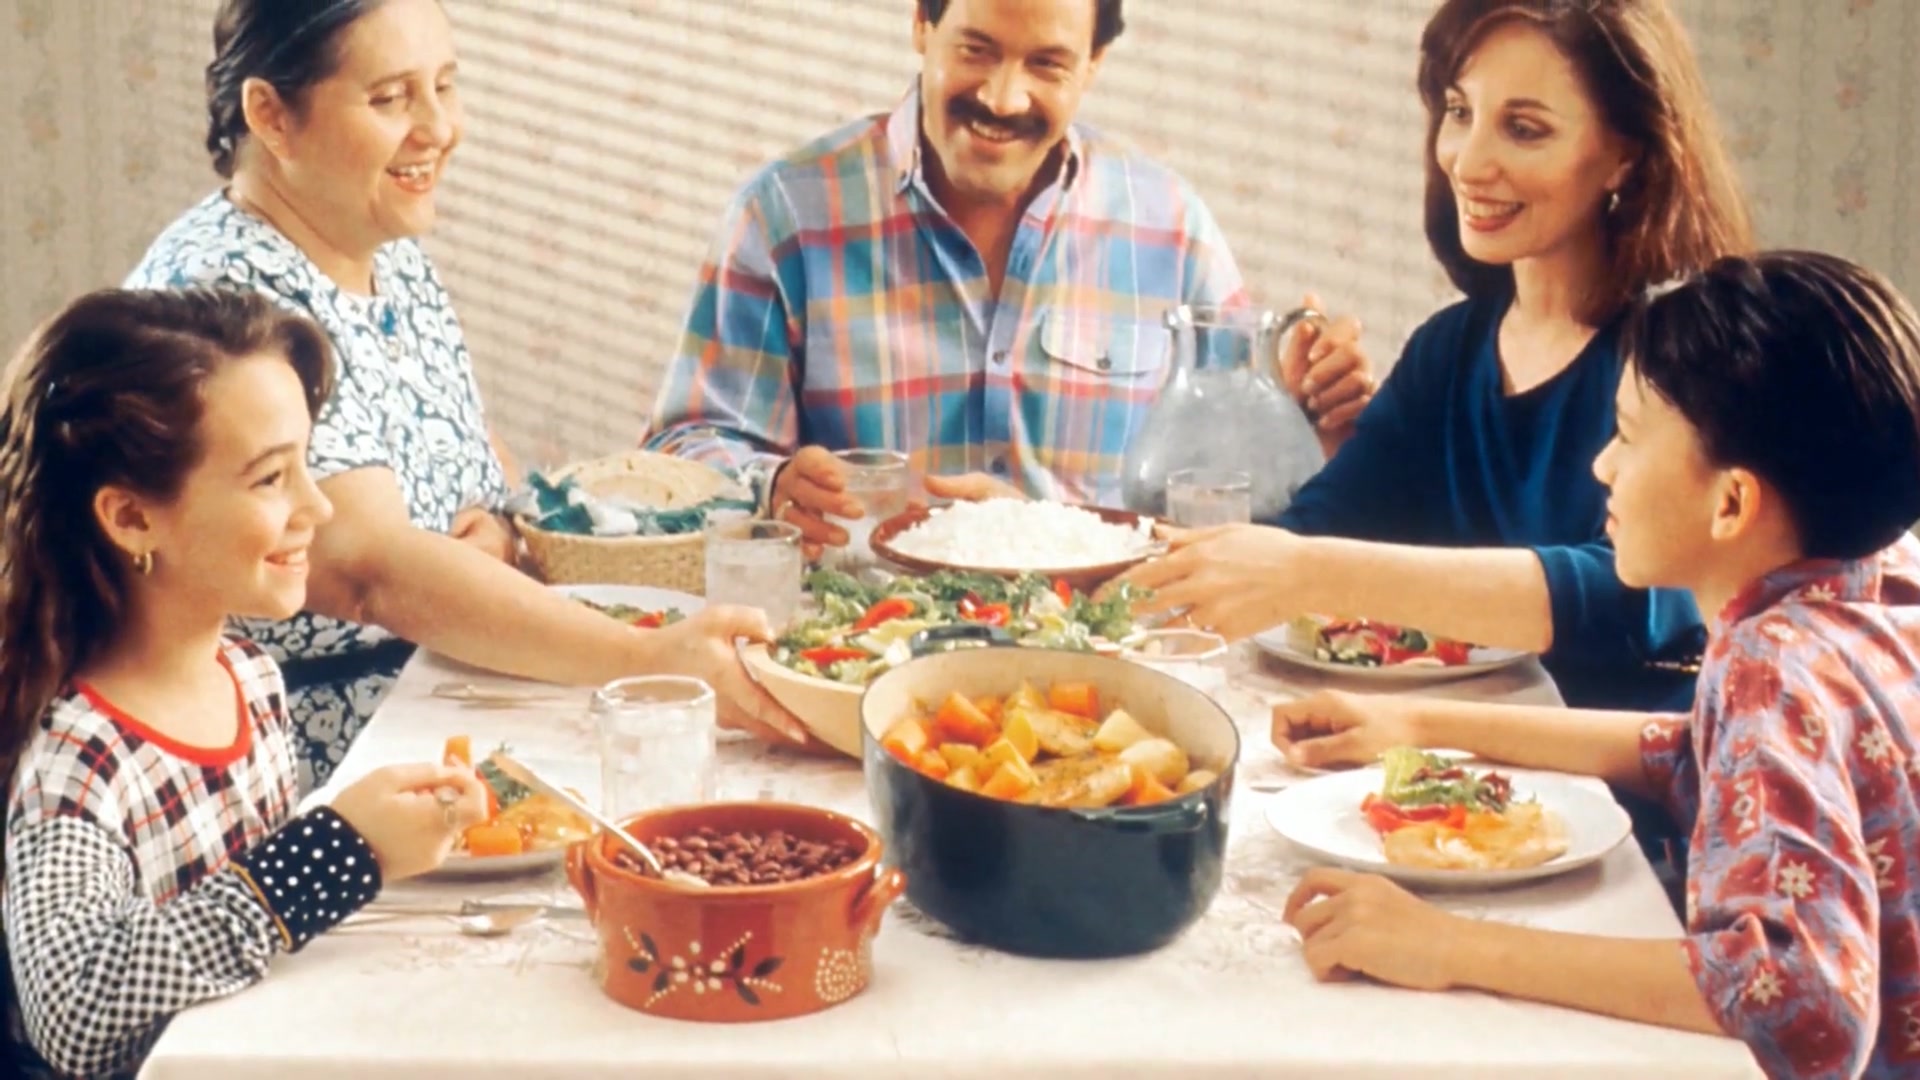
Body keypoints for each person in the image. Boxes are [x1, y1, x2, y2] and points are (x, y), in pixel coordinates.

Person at [1274, 252, 1920, 1080]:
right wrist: (1417, 723)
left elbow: (1799, 997)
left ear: (1731, 503)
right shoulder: (1879, 577)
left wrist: (1445, 944)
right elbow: (1701, 750)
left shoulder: (1774, 662)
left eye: (1626, 436)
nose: (1601, 467)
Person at [126, 0, 803, 789]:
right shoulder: (227, 298)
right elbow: (368, 570)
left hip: (449, 692)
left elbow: (474, 462)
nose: (439, 128)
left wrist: (507, 536)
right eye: (391, 98)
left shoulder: (380, 248)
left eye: (445, 87)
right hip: (314, 758)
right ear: (272, 115)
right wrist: (644, 660)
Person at [1124, 0, 1753, 714]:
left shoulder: (1682, 360)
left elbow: (1633, 597)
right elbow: (1316, 533)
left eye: (1523, 129)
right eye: (1459, 112)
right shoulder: (1450, 350)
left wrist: (1306, 568)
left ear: (1625, 155)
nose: (1468, 160)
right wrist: (1060, 550)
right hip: (1450, 775)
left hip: (1629, 794)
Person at [644, 0, 1375, 549]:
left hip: (1110, 658)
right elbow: (685, 448)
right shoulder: (785, 216)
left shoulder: (1170, 226)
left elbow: (1229, 497)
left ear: (1093, 66)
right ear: (922, 29)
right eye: (976, 49)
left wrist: (1306, 420)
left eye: (1046, 65)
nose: (1002, 97)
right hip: (861, 656)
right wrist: (769, 487)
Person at [0, 288, 493, 1078]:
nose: (319, 505)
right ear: (131, 518)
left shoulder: (249, 676)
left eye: (307, 465)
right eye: (270, 479)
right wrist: (338, 853)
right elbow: (76, 1008)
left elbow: (257, 945)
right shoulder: (79, 761)